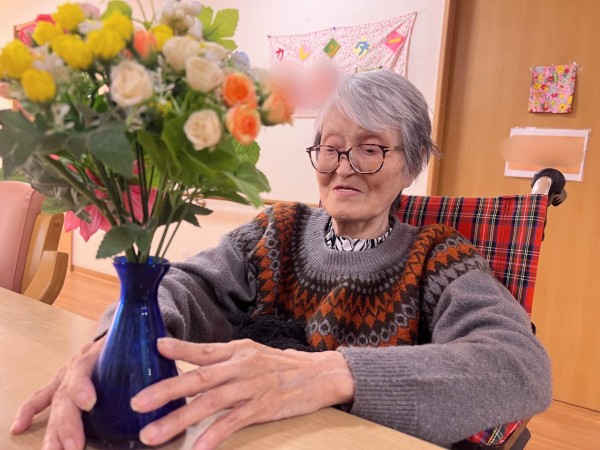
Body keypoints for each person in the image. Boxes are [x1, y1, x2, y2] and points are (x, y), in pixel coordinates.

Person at [11, 70, 552, 449]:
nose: (343, 166)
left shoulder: (438, 257)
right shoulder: (278, 230)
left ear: (410, 166)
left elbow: (520, 366)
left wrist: (328, 374)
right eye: (330, 147)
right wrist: (115, 341)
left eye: (370, 149)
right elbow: (186, 287)